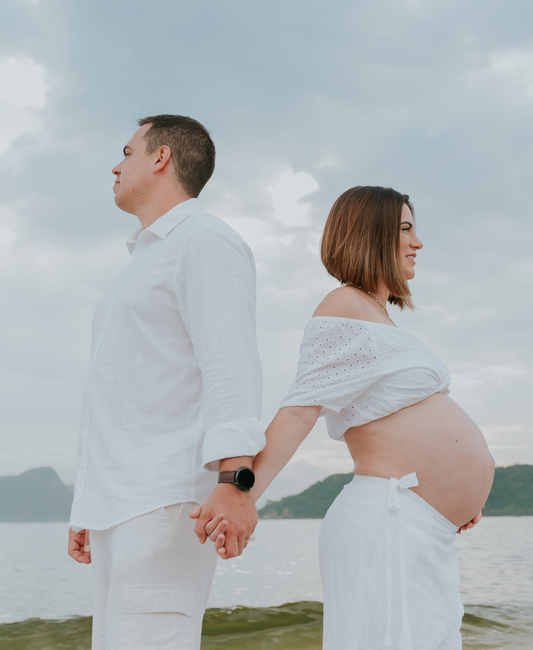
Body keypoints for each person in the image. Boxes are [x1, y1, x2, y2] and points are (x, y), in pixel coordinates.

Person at [203, 185, 494, 650]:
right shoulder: (343, 306)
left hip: (418, 527)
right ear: (369, 234)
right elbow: (300, 411)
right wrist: (239, 492)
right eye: (405, 229)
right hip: (389, 522)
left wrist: (457, 496)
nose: (417, 242)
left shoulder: (376, 317)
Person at [66, 115, 266, 650]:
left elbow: (231, 365)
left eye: (126, 151)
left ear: (161, 158)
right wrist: (88, 504)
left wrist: (235, 483)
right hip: (120, 505)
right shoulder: (141, 261)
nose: (115, 164)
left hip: (165, 501)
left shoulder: (203, 241)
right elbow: (117, 393)